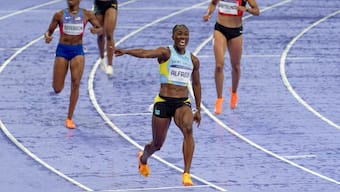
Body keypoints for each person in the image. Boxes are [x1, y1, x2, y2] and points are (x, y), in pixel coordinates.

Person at [115, 24, 202, 186]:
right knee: (157, 144)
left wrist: (198, 109)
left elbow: (196, 84)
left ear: (188, 38)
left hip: (182, 103)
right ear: (173, 37)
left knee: (188, 129)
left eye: (185, 34)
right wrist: (127, 51)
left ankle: (186, 173)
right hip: (163, 102)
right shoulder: (166, 53)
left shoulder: (193, 60)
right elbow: (145, 53)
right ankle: (143, 158)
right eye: (179, 34)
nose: (182, 37)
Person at [44, 0, 102, 129]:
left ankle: (69, 117)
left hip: (77, 51)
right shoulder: (59, 15)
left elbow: (100, 28)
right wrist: (47, 37)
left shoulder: (87, 14)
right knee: (57, 88)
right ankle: (59, 83)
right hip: (62, 50)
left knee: (75, 83)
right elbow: (49, 32)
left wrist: (96, 30)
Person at [203, 0, 259, 114]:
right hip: (220, 29)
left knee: (236, 66)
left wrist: (246, 9)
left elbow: (257, 11)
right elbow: (213, 3)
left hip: (236, 32)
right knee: (219, 65)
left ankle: (234, 93)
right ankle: (219, 99)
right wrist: (208, 13)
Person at [93, 0, 118, 76]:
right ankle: (102, 58)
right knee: (100, 34)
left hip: (111, 3)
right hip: (98, 4)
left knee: (109, 34)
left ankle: (110, 65)